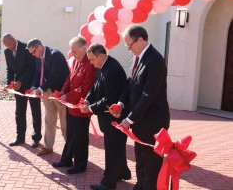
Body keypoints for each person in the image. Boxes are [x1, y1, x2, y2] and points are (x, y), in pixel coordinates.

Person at [112, 25, 170, 190]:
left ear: (141, 40)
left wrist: (129, 119)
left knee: (151, 164)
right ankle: (140, 186)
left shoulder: (155, 60)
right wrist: (121, 104)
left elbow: (148, 95)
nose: (128, 50)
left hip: (153, 122)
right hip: (140, 120)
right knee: (141, 160)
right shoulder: (136, 58)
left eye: (129, 45)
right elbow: (130, 84)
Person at [80, 43, 131, 190]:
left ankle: (108, 183)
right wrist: (88, 99)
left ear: (101, 56)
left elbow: (109, 99)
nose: (91, 62)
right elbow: (95, 87)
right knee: (117, 148)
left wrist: (90, 108)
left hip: (114, 118)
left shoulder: (112, 70)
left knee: (112, 150)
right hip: (107, 118)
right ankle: (123, 172)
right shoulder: (102, 66)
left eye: (92, 59)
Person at [52, 36, 95, 174]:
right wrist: (63, 91)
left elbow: (85, 88)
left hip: (81, 108)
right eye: (71, 50)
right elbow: (69, 79)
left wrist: (67, 96)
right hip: (71, 106)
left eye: (75, 50)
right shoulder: (75, 61)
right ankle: (66, 159)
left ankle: (80, 165)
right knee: (70, 134)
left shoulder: (90, 65)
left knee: (80, 137)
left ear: (84, 49)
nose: (72, 53)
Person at [27, 38, 70, 156]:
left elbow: (55, 76)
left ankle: (69, 149)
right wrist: (34, 87)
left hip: (59, 92)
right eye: (31, 53)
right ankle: (48, 146)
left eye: (33, 52)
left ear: (40, 46)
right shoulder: (38, 57)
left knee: (64, 121)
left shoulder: (55, 55)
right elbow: (37, 73)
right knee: (49, 119)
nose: (33, 55)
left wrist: (40, 89)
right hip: (46, 91)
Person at [2, 34, 42, 148]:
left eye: (9, 44)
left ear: (14, 40)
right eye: (6, 46)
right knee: (19, 112)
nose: (9, 47)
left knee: (35, 112)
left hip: (31, 84)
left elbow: (31, 68)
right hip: (18, 87)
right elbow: (9, 69)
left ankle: (36, 138)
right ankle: (20, 137)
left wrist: (21, 81)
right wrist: (9, 84)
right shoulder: (7, 52)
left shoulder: (26, 48)